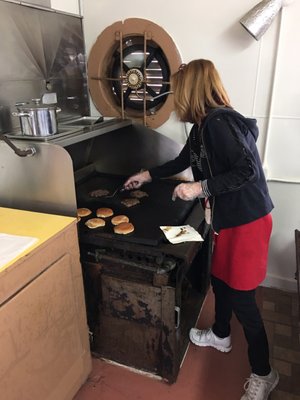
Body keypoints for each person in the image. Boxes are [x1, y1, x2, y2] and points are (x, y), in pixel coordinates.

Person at [124, 59, 279, 400]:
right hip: (230, 219)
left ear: (191, 89)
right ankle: (221, 335)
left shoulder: (220, 124)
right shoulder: (201, 127)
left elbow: (247, 171)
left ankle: (265, 373)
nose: (176, 98)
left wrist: (199, 189)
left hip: (249, 221)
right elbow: (182, 162)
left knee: (242, 297)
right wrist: (147, 175)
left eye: (179, 90)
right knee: (220, 280)